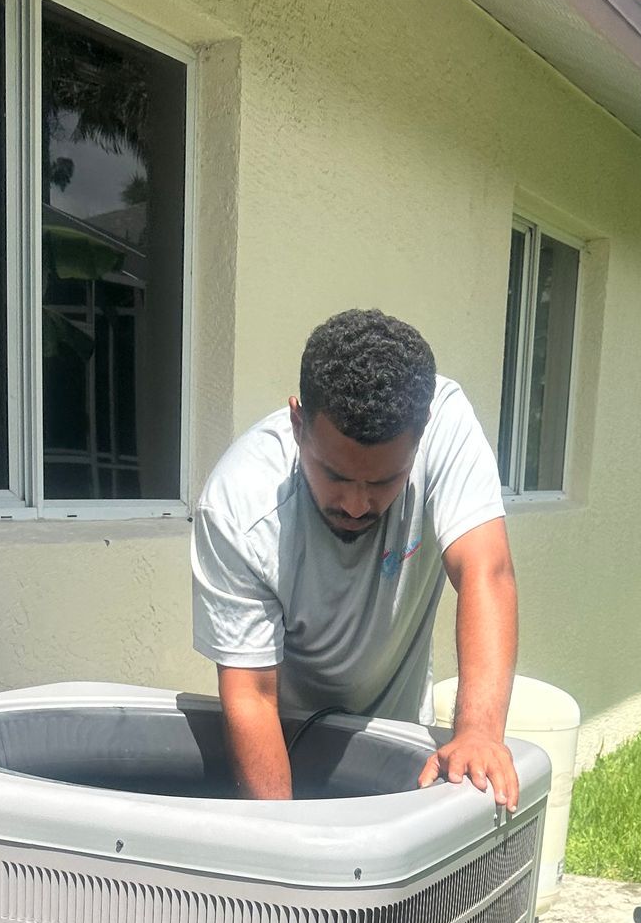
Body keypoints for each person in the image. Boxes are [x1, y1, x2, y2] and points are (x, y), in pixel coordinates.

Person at [191, 308, 520, 807]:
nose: (356, 504)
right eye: (336, 476)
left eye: (385, 480)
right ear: (298, 423)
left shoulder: (446, 423)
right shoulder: (239, 505)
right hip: (286, 742)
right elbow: (252, 699)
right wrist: (284, 846)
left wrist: (479, 733)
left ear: (422, 434)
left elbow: (485, 570)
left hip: (401, 741)